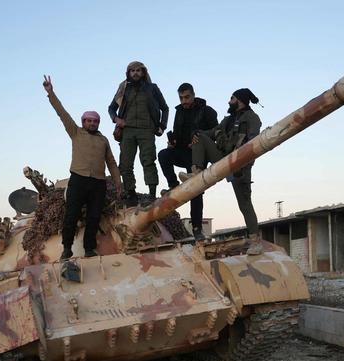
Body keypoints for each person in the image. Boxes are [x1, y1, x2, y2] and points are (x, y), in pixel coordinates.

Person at [43, 75, 122, 260]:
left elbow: (111, 162)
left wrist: (118, 182)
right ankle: (67, 248)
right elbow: (62, 114)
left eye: (95, 121)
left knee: (94, 218)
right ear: (84, 122)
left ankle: (89, 249)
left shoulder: (103, 140)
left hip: (98, 183)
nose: (92, 123)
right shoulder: (76, 132)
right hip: (78, 180)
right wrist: (51, 94)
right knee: (71, 216)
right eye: (89, 121)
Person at [180, 88, 263, 254]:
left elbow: (254, 144)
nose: (229, 101)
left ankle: (256, 241)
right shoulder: (228, 120)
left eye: (231, 98)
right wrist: (197, 134)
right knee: (199, 135)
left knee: (244, 204)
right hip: (222, 158)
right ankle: (196, 173)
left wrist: (243, 163)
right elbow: (211, 133)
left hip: (239, 163)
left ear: (240, 100)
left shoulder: (252, 119)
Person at [157, 83, 218, 240]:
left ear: (193, 94)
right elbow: (178, 132)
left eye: (187, 97)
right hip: (182, 151)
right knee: (163, 155)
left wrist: (200, 137)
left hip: (197, 157)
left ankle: (197, 229)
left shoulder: (207, 111)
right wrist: (173, 142)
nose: (184, 101)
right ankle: (173, 185)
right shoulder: (179, 112)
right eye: (181, 98)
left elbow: (217, 133)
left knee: (195, 192)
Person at [108, 61, 169, 204]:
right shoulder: (124, 89)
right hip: (127, 130)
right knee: (125, 164)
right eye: (132, 71)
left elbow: (165, 108)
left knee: (148, 161)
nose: (135, 73)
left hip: (147, 129)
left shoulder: (152, 88)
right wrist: (116, 119)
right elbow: (111, 108)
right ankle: (131, 194)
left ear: (143, 72)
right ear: (128, 73)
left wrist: (162, 126)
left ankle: (152, 195)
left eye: (138, 70)